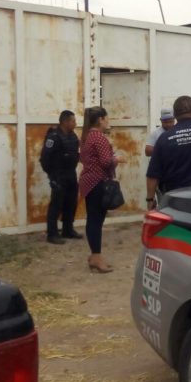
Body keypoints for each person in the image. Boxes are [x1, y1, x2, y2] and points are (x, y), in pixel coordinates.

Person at [79, 106, 127, 273]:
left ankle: (95, 256)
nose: (108, 121)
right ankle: (97, 257)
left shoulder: (86, 136)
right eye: (107, 118)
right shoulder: (98, 137)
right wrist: (117, 159)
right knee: (95, 221)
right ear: (100, 120)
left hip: (89, 182)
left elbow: (84, 159)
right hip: (97, 183)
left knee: (93, 219)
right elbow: (106, 162)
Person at [40, 110, 81, 245]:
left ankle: (67, 230)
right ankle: (52, 234)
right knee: (56, 204)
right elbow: (44, 159)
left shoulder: (73, 136)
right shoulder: (53, 137)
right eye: (73, 121)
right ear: (66, 122)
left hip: (71, 174)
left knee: (71, 203)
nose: (75, 124)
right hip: (58, 175)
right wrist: (52, 176)